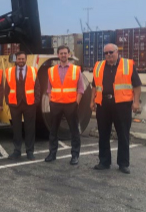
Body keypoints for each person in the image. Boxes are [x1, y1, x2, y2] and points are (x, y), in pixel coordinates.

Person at [90, 43, 141, 174]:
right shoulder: (98, 65)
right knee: (103, 134)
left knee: (123, 134)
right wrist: (92, 101)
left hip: (122, 105)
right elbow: (94, 86)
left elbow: (136, 86)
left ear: (117, 52)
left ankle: (123, 164)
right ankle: (104, 162)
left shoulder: (128, 65)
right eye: (106, 53)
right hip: (103, 105)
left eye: (111, 52)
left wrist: (136, 102)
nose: (108, 55)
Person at [45, 45, 85, 165]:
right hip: (56, 104)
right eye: (61, 53)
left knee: (74, 131)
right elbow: (48, 89)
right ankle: (52, 154)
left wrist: (76, 103)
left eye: (65, 53)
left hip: (70, 105)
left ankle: (75, 155)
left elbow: (81, 89)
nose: (63, 55)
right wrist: (51, 102)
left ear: (69, 54)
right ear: (58, 55)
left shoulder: (76, 69)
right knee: (53, 131)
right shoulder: (51, 70)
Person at [5, 51, 40, 160]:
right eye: (19, 59)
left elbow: (37, 87)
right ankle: (17, 151)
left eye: (22, 59)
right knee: (16, 129)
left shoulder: (33, 71)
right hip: (14, 104)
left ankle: (30, 151)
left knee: (30, 128)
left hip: (29, 104)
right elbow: (7, 88)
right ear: (16, 60)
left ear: (26, 59)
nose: (21, 61)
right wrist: (8, 101)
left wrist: (36, 101)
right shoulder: (9, 71)